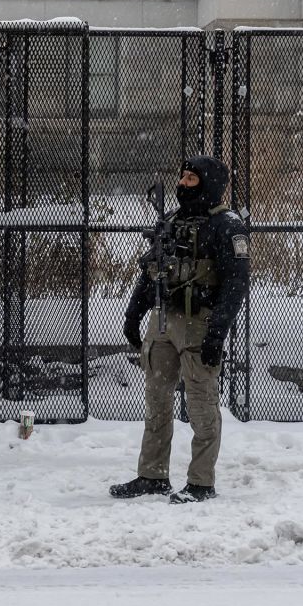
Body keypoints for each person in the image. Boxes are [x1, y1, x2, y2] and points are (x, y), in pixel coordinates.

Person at [111, 156, 250, 503]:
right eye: (184, 177)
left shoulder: (227, 225)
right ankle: (152, 475)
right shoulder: (171, 221)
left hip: (199, 323)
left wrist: (217, 332)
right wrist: (133, 314)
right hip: (164, 322)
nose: (184, 184)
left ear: (211, 184)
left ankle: (201, 482)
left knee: (202, 404)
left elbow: (236, 284)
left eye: (192, 178)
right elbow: (151, 273)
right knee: (157, 401)